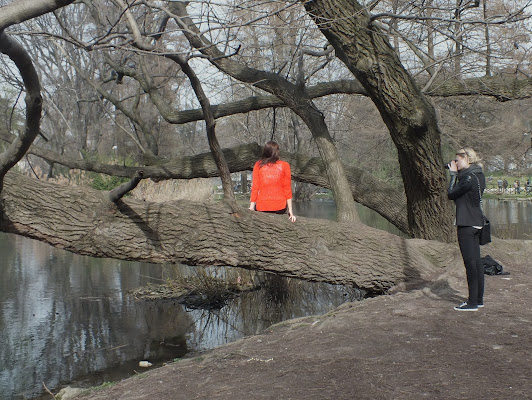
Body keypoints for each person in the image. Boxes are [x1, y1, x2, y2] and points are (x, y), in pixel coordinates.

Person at [447, 147, 486, 311]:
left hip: (467, 224)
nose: (455, 163)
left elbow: (450, 194)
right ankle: (478, 299)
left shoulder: (467, 177)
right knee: (476, 263)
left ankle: (471, 303)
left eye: (458, 160)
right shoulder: (478, 174)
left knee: (470, 264)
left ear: (467, 159)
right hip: (477, 222)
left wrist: (453, 175)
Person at [249, 141, 296, 222]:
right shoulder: (285, 165)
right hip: (280, 208)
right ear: (277, 152)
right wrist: (290, 211)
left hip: (262, 207)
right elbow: (287, 189)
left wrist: (251, 207)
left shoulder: (258, 165)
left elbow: (255, 187)